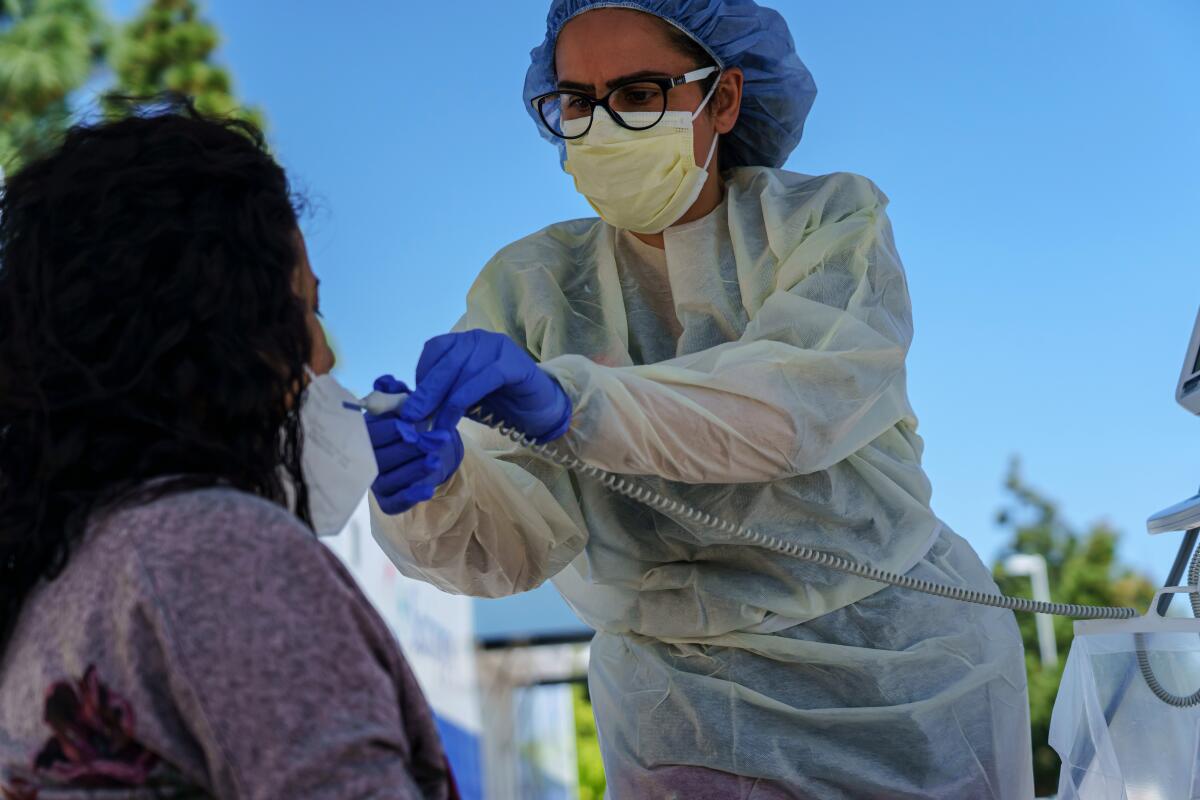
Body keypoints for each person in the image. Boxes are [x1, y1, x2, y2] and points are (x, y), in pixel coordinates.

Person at [368, 1, 1035, 797]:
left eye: (641, 93)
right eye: (577, 102)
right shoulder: (529, 288)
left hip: (897, 677)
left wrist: (574, 405)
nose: (603, 125)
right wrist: (439, 491)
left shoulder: (829, 224)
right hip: (678, 702)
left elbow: (785, 410)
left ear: (722, 99)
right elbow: (513, 546)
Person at [0, 106, 457, 800]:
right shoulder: (219, 552)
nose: (327, 356)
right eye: (304, 310)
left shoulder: (63, 568)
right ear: (223, 337)